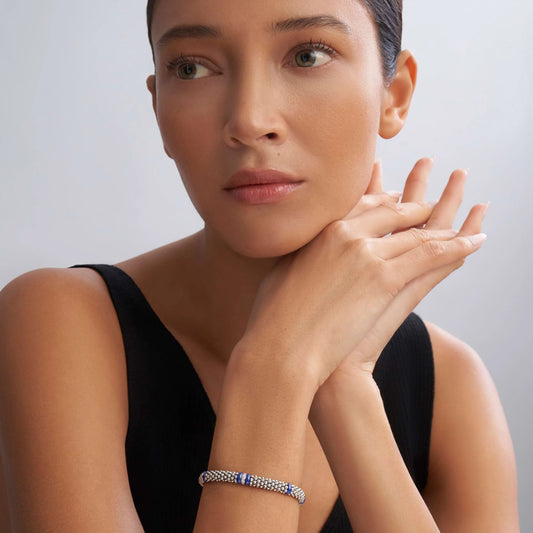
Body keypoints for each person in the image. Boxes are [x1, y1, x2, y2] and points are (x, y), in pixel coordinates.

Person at [0, 0, 519, 531]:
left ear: (395, 94)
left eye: (308, 55)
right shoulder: (56, 323)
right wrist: (275, 364)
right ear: (158, 109)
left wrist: (343, 390)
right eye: (191, 67)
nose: (249, 121)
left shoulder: (451, 385)